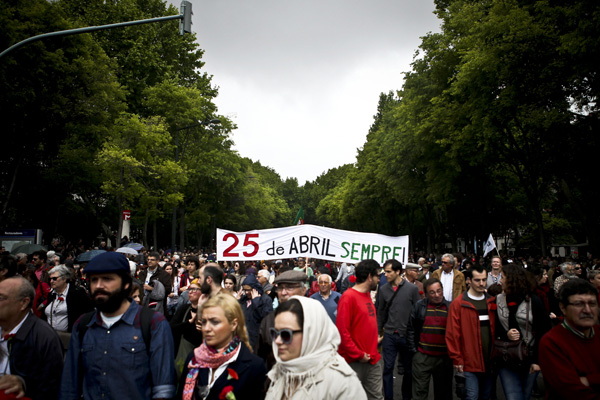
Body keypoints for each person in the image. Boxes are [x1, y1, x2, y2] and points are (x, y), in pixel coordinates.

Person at [60, 251, 176, 400]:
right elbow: (69, 386)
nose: (99, 286)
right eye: (94, 280)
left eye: (107, 279)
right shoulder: (83, 325)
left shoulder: (153, 323)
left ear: (126, 284)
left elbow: (163, 388)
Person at [266, 296, 366, 399]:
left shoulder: (343, 384)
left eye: (286, 334)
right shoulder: (279, 371)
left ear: (311, 334)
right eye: (274, 333)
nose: (277, 341)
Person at [178, 293, 267, 400]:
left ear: (234, 324)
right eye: (204, 322)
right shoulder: (194, 358)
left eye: (215, 322)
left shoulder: (254, 366)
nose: (206, 328)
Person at [0, 276, 64, 400]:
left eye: (1, 298)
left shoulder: (44, 337)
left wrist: (24, 385)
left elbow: (52, 388)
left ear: (23, 303)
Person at [494, 264, 551, 400]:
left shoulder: (534, 301)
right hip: (506, 357)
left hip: (529, 358)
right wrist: (505, 334)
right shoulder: (498, 300)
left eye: (502, 277)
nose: (499, 281)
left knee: (524, 396)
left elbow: (544, 330)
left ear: (512, 280)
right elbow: (495, 326)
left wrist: (537, 361)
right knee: (513, 396)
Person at [538, 279, 600, 399]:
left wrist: (588, 380)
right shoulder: (551, 342)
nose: (587, 310)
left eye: (592, 304)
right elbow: (571, 391)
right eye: (578, 304)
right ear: (563, 308)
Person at [446, 265, 496, 400]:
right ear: (469, 280)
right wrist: (457, 359)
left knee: (486, 396)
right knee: (472, 396)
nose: (482, 283)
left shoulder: (491, 301)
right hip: (469, 363)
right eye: (477, 280)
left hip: (490, 362)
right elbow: (452, 334)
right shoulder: (458, 304)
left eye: (484, 280)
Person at [336, 259, 383, 400]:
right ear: (369, 277)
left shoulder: (367, 295)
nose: (379, 280)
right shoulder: (348, 297)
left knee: (376, 397)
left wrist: (374, 339)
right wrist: (358, 354)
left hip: (372, 359)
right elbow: (342, 332)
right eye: (377, 276)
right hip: (355, 362)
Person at [377, 259, 421, 400]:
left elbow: (418, 312)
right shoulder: (383, 289)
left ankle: (406, 396)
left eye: (389, 271)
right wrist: (379, 331)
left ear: (398, 272)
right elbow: (381, 312)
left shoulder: (412, 289)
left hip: (406, 335)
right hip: (389, 334)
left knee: (408, 370)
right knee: (388, 368)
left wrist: (416, 335)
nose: (386, 274)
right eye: (385, 271)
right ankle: (388, 397)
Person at [407, 278, 453, 400]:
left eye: (439, 291)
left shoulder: (451, 308)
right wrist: (414, 351)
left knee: (443, 393)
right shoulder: (419, 306)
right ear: (426, 294)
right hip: (422, 357)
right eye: (432, 292)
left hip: (444, 358)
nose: (437, 295)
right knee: (419, 393)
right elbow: (411, 328)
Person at [257, 270, 308, 369]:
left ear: (303, 290)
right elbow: (261, 355)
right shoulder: (268, 320)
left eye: (290, 287)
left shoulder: (314, 316)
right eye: (280, 288)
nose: (284, 293)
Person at [238, 274, 273, 351]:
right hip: (244, 338)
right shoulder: (243, 300)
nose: (247, 292)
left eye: (249, 290)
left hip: (258, 340)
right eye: (245, 290)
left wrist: (256, 302)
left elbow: (266, 317)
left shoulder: (265, 300)